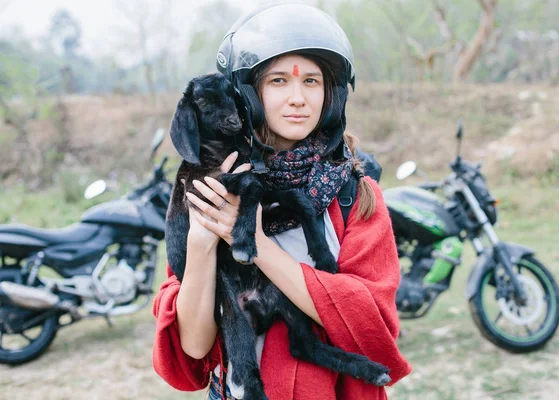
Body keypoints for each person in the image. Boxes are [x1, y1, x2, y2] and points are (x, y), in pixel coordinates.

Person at [153, 3, 411, 399]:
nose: (297, 98)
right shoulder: (210, 189)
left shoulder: (354, 195)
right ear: (249, 95)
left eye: (311, 82)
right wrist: (203, 243)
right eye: (278, 81)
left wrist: (254, 242)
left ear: (331, 94)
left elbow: (372, 325)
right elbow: (194, 348)